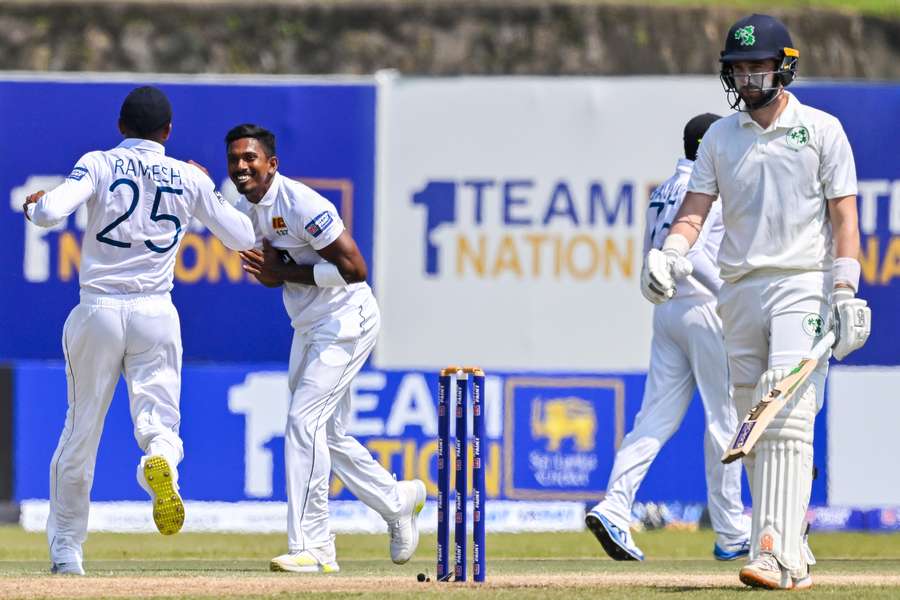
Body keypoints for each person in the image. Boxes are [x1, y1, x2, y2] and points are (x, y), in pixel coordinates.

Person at [642, 14, 871, 590]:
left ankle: (773, 549)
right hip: (738, 291)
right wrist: (671, 252)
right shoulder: (721, 136)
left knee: (786, 412)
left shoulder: (821, 130)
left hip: (804, 282)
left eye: (758, 66)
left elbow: (845, 216)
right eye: (738, 68)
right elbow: (695, 208)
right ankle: (791, 546)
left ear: (783, 67)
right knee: (754, 424)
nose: (747, 77)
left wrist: (845, 288)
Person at [23, 86, 257, 575]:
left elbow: (49, 213)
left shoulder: (101, 162)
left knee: (80, 431)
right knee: (160, 423)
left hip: (99, 310)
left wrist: (33, 205)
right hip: (157, 312)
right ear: (168, 132)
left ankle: (67, 551)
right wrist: (206, 188)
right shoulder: (187, 177)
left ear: (120, 127)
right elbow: (243, 236)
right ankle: (162, 464)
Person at [225, 124, 426, 573]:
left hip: (347, 321)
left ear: (271, 164)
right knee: (326, 435)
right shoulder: (247, 207)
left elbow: (355, 268)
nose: (241, 167)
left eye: (250, 159)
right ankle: (397, 501)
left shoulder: (302, 204)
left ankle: (314, 547)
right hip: (309, 326)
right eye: (234, 159)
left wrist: (282, 275)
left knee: (302, 421)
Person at [586, 113, 751, 563]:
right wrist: (732, 301)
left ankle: (615, 506)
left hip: (668, 314)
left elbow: (652, 261)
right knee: (725, 422)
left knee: (653, 421)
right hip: (706, 310)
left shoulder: (661, 190)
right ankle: (732, 529)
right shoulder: (709, 188)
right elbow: (692, 256)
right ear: (710, 145)